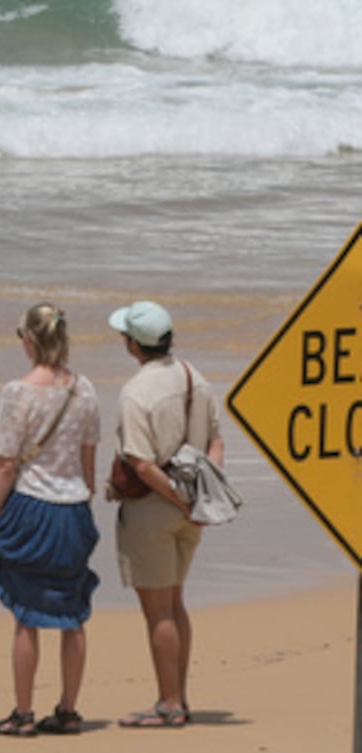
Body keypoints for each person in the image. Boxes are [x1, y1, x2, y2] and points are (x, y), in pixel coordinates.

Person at [106, 300, 225, 728]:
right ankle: (180, 697)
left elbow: (140, 464)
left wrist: (179, 499)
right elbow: (216, 442)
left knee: (158, 612)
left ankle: (169, 703)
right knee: (175, 604)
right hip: (190, 511)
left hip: (155, 510)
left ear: (134, 346)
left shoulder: (137, 392)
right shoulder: (196, 377)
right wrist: (201, 499)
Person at [0, 302, 101, 736]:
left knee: (26, 612)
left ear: (30, 339)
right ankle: (69, 709)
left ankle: (23, 712)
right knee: (73, 614)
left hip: (33, 507)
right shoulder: (85, 389)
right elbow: (90, 457)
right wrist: (82, 495)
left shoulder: (19, 391)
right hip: (73, 509)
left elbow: (5, 465)